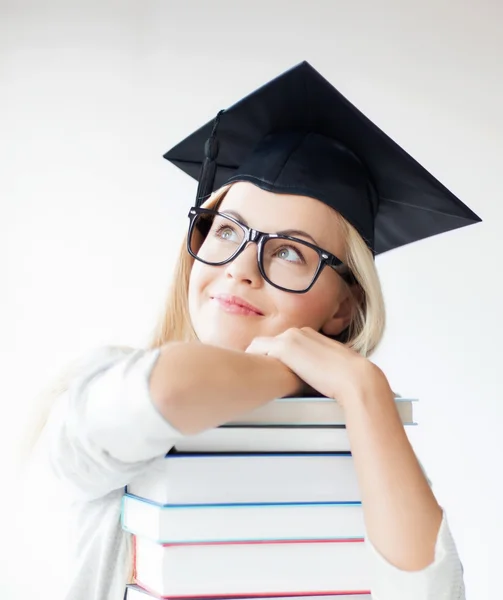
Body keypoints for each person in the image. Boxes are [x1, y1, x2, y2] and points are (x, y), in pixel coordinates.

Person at [15, 61, 480, 600]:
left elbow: (430, 594)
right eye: (228, 229)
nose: (240, 267)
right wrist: (283, 369)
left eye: (288, 251)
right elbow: (168, 391)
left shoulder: (361, 437)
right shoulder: (97, 389)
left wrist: (364, 388)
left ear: (343, 307)